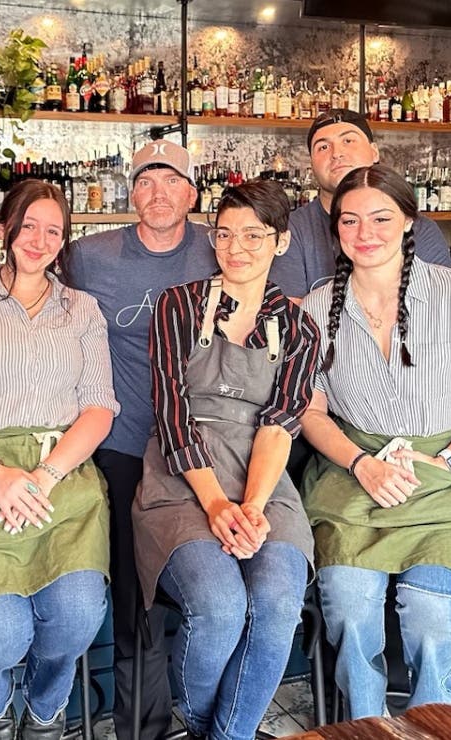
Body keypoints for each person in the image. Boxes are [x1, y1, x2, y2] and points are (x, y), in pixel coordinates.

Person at [299, 164, 451, 719]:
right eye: (350, 220)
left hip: (450, 483)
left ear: (408, 221)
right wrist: (360, 462)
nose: (365, 232)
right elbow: (311, 410)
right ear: (336, 229)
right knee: (348, 604)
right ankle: (366, 723)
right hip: (353, 479)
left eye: (381, 217)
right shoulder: (315, 308)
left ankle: (433, 724)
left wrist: (450, 459)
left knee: (431, 612)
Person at [0, 179, 118, 739]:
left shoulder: (82, 308)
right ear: (3, 230)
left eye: (53, 230)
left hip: (60, 473)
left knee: (78, 617)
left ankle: (45, 710)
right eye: (28, 226)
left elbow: (99, 408)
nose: (39, 240)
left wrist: (42, 475)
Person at [133, 179, 317, 740]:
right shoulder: (179, 306)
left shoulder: (300, 329)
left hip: (264, 478)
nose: (236, 248)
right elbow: (172, 413)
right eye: (225, 234)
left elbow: (280, 422)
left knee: (279, 600)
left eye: (254, 235)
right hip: (180, 476)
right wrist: (216, 504)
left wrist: (254, 507)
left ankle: (225, 734)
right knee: (217, 607)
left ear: (280, 242)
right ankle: (201, 722)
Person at [69, 140, 217, 740]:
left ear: (191, 192)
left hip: (208, 447)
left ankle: (209, 714)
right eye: (146, 181)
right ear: (132, 194)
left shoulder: (222, 246)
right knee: (136, 595)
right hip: (127, 444)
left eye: (171, 180)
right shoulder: (88, 255)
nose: (158, 193)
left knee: (214, 587)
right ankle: (142, 728)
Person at [270, 109, 451, 298]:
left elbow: (439, 305)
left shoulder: (418, 228)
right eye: (323, 147)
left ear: (374, 152)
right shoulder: (292, 229)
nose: (336, 153)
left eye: (348, 141)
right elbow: (290, 316)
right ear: (311, 164)